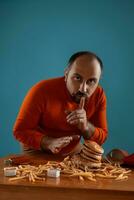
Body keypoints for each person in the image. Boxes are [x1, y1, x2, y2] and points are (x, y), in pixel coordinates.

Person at [13, 51, 108, 155]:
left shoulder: (99, 95)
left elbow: (101, 139)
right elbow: (20, 130)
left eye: (91, 81)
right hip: (38, 149)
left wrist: (86, 127)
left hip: (72, 149)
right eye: (77, 78)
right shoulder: (41, 90)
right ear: (66, 75)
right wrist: (49, 142)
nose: (83, 88)